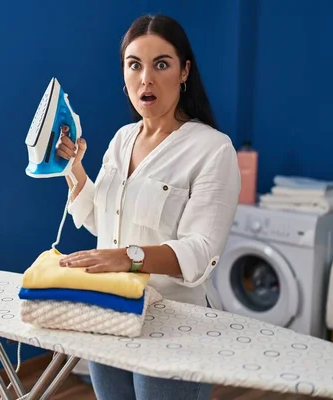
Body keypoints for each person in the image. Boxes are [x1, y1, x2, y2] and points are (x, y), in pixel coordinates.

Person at [54, 13, 240, 400]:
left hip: (174, 324)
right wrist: (74, 171)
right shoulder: (122, 140)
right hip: (111, 312)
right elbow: (100, 222)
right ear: (123, 74)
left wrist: (128, 257)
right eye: (134, 65)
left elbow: (201, 250)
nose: (146, 79)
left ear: (184, 71)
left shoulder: (212, 149)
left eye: (161, 64)